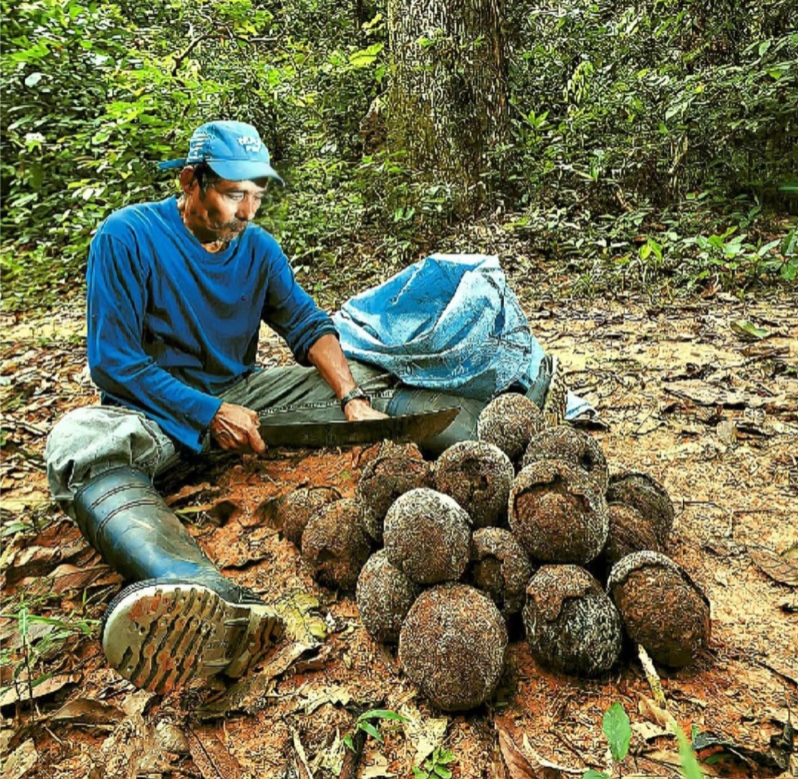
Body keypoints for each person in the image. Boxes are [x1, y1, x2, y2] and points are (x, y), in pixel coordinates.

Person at [44, 121, 487, 694]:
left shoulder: (256, 248)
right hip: (150, 408)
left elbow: (306, 324)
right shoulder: (127, 236)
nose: (245, 210)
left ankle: (492, 437)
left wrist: (351, 398)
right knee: (79, 440)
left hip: (242, 395)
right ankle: (201, 591)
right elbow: (113, 362)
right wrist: (205, 412)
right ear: (190, 181)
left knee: (365, 376)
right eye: (232, 193)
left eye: (256, 194)